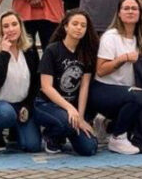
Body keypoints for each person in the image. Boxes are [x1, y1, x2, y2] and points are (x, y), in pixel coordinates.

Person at [90, 0, 142, 154]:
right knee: (139, 97)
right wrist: (123, 58)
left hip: (128, 91)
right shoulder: (110, 37)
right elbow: (101, 70)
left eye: (134, 8)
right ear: (119, 13)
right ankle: (118, 138)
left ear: (140, 13)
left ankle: (107, 124)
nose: (130, 11)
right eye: (126, 8)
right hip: (104, 89)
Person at [35, 10, 99, 156]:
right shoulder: (52, 50)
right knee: (68, 122)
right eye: (75, 24)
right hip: (46, 104)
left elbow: (84, 87)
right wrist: (69, 108)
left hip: (72, 109)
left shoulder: (86, 52)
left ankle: (66, 131)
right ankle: (51, 136)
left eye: (83, 25)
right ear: (65, 26)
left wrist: (81, 117)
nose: (79, 28)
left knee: (89, 148)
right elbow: (46, 87)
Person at [0, 10, 42, 153]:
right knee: (6, 115)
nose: (11, 29)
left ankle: (15, 131)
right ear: (0, 30)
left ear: (20, 26)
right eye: (6, 26)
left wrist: (27, 106)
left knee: (32, 146)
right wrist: (4, 53)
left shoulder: (29, 49)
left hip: (22, 104)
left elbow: (36, 82)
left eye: (14, 24)